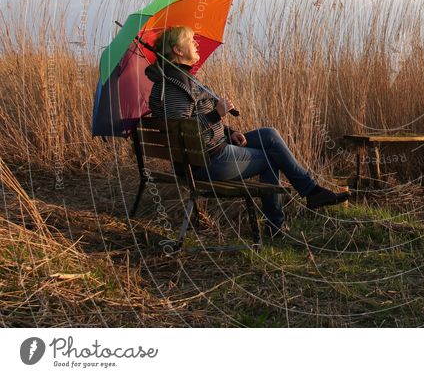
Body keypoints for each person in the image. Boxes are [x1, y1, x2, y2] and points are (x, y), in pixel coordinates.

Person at [143, 25, 349, 238]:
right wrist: (217, 113)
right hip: (207, 162)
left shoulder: (178, 80)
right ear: (177, 50)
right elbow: (183, 132)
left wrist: (228, 131)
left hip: (208, 152)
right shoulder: (175, 86)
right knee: (272, 159)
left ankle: (309, 193)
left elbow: (193, 123)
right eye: (191, 40)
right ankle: (278, 225)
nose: (196, 44)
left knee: (269, 135)